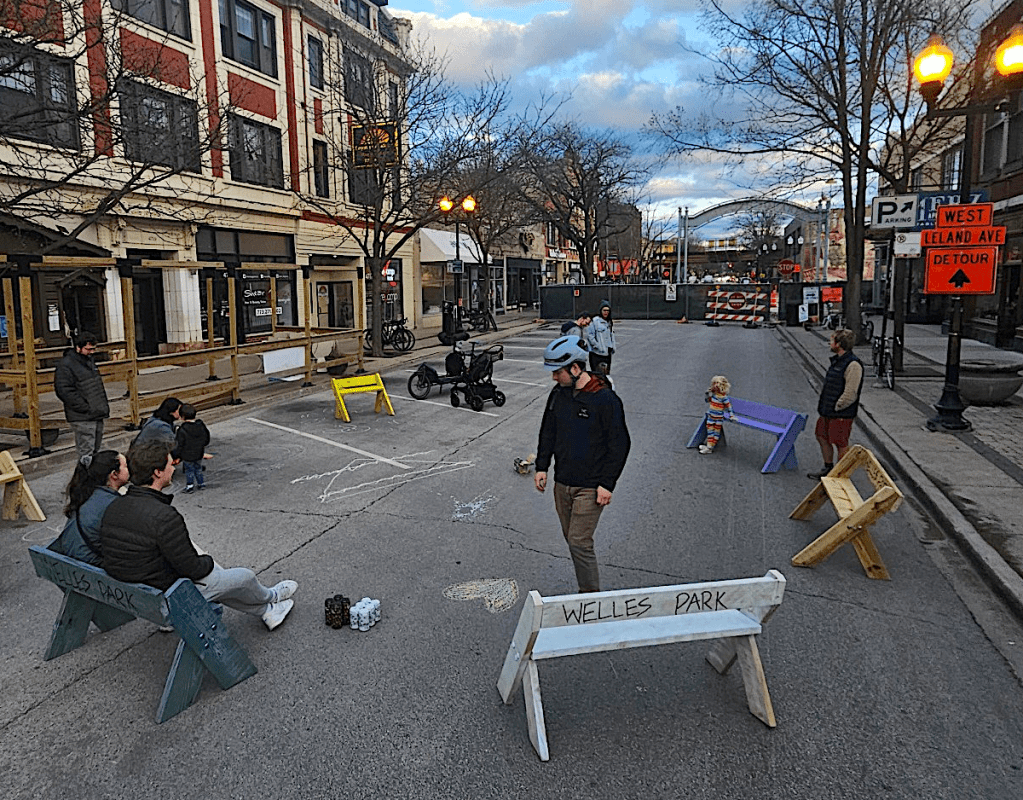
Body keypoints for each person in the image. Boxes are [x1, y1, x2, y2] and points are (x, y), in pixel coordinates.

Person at [101, 440, 297, 630]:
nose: (174, 469)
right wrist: (208, 561)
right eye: (170, 464)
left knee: (216, 576)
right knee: (242, 577)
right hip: (168, 596)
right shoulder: (164, 516)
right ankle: (270, 598)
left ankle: (268, 610)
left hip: (138, 591)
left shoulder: (115, 505)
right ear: (157, 472)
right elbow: (194, 569)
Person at [534, 335, 631, 593]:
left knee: (579, 542)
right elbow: (548, 430)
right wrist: (542, 465)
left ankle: (590, 600)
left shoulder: (606, 400)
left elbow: (620, 445)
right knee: (572, 538)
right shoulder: (559, 394)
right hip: (562, 483)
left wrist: (606, 484)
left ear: (575, 368)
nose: (554, 378)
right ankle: (587, 591)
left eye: (557, 372)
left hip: (590, 487)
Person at [55, 450, 130, 565]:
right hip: (89, 562)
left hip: (72, 555)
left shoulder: (88, 492)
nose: (129, 469)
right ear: (114, 474)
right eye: (125, 466)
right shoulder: (112, 502)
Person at [808, 328, 864, 479]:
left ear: (839, 344)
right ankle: (828, 467)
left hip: (840, 413)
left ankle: (841, 474)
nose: (830, 343)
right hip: (827, 410)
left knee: (840, 442)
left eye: (832, 341)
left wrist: (838, 406)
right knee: (822, 436)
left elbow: (851, 392)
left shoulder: (853, 365)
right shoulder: (838, 361)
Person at [54, 331, 110, 464]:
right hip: (82, 415)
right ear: (78, 348)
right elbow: (64, 391)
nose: (91, 352)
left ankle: (95, 479)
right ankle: (85, 481)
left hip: (95, 412)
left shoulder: (88, 361)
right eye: (88, 349)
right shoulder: (66, 365)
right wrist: (84, 407)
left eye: (93, 349)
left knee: (95, 452)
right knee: (86, 454)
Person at [174, 403, 211, 493]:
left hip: (187, 455)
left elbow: (179, 444)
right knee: (198, 468)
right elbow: (206, 438)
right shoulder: (201, 426)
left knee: (189, 470)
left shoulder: (182, 430)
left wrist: (177, 455)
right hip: (199, 452)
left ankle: (190, 486)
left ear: (182, 417)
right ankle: (201, 483)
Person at [699, 375, 736, 455]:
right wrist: (707, 394)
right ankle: (709, 445)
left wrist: (731, 415)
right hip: (711, 416)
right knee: (710, 431)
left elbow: (728, 406)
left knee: (716, 432)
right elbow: (707, 400)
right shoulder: (713, 395)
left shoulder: (723, 397)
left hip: (718, 418)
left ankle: (710, 447)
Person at [585, 300, 616, 376]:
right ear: (600, 311)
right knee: (597, 375)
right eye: (604, 310)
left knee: (606, 375)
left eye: (608, 310)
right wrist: (598, 346)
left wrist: (612, 347)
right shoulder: (595, 321)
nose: (606, 312)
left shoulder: (609, 322)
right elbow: (590, 335)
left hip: (607, 353)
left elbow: (611, 335)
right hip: (597, 354)